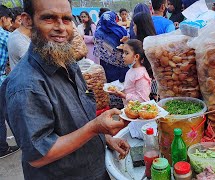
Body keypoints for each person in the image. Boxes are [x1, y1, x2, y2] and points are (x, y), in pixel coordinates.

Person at [0, 0, 130, 179]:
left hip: (95, 168)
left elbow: (79, 115)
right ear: (27, 20)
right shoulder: (24, 85)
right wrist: (95, 127)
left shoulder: (68, 63)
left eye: (67, 19)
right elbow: (39, 155)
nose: (61, 27)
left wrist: (106, 139)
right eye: (49, 18)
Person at [109, 39, 152, 139]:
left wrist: (123, 95)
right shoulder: (132, 70)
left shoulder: (141, 75)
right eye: (123, 52)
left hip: (140, 118)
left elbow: (142, 100)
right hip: (131, 113)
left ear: (136, 56)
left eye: (126, 53)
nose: (123, 56)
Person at [94, 11, 129, 109]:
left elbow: (98, 48)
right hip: (121, 64)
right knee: (122, 85)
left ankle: (113, 105)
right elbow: (126, 46)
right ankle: (123, 104)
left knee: (110, 85)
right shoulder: (120, 30)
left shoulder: (98, 31)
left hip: (106, 64)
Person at [0, 4, 19, 159]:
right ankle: (2, 147)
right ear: (3, 19)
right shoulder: (6, 36)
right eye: (9, 19)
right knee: (5, 114)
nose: (11, 23)